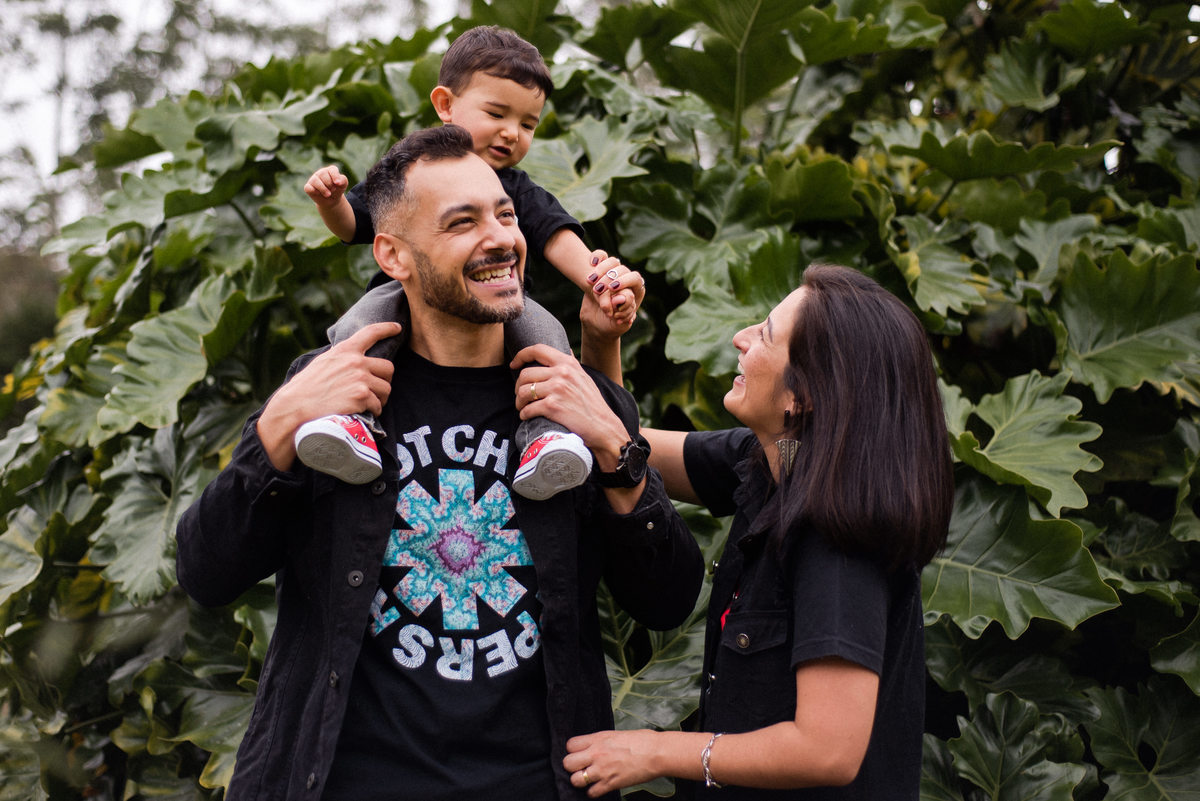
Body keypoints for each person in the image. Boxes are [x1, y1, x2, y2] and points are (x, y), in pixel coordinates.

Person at [175, 125, 703, 801]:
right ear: (392, 254)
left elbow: (667, 600)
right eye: (463, 222)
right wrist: (276, 425)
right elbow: (206, 572)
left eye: (505, 215)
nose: (501, 238)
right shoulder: (329, 389)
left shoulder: (578, 400)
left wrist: (617, 450)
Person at [562, 264, 954, 799]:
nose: (741, 339)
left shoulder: (837, 542)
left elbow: (828, 750)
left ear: (801, 397)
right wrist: (601, 340)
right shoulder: (780, 460)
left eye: (765, 335)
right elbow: (624, 446)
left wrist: (653, 751)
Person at [299, 25, 635, 500]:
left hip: (501, 303)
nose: (511, 133)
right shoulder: (410, 173)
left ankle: (546, 437)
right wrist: (330, 202)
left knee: (551, 340)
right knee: (359, 329)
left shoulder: (515, 186)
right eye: (496, 113)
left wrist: (598, 280)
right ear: (445, 104)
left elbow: (555, 234)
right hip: (403, 299)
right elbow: (356, 224)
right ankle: (352, 422)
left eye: (528, 124)